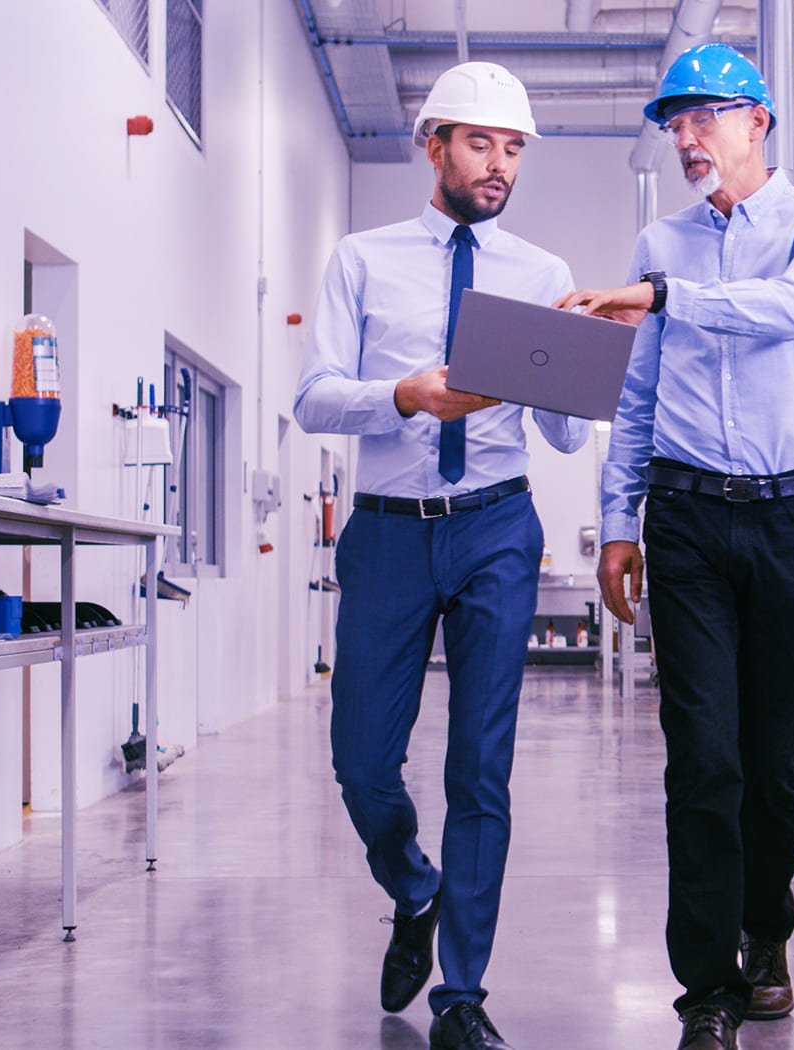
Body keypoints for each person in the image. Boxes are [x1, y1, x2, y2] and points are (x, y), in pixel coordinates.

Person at [555, 43, 794, 1050]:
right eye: (673, 123)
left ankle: (768, 936)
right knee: (702, 760)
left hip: (787, 518)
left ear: (757, 120)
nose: (684, 138)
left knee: (772, 761)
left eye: (702, 117)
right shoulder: (660, 241)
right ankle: (708, 991)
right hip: (684, 520)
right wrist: (618, 524)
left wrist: (668, 298)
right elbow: (634, 402)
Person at [293, 61, 588, 1050]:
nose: (499, 164)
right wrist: (404, 396)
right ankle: (412, 886)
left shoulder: (541, 276)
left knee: (481, 767)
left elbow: (565, 440)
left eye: (513, 149)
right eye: (480, 143)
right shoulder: (362, 259)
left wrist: (571, 372)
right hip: (385, 527)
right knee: (362, 763)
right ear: (433, 144)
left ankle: (462, 993)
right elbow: (313, 397)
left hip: (497, 524)